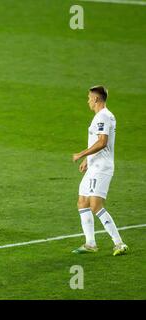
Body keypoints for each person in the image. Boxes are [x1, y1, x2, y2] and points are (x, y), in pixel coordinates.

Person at [72, 85, 128, 256]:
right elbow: (100, 143)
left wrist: (81, 154)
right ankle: (90, 243)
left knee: (95, 205)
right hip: (94, 166)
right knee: (82, 201)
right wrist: (88, 161)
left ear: (96, 99)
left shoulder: (103, 116)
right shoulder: (103, 116)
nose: (88, 101)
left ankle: (119, 243)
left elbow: (103, 142)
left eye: (89, 97)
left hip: (101, 168)